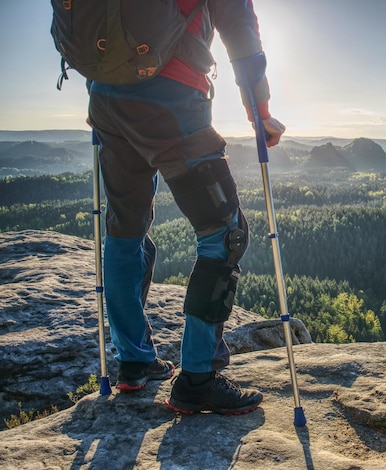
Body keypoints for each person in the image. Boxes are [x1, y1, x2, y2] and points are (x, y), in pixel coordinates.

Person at [87, 0, 285, 415]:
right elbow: (240, 26)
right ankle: (198, 378)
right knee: (225, 234)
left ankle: (134, 360)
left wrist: (102, 87)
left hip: (106, 98)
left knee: (125, 228)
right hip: (172, 97)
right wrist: (260, 111)